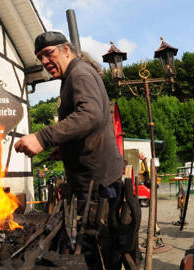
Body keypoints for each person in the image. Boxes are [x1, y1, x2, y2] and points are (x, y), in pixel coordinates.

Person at [14, 31, 123, 200]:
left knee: (99, 226)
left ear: (66, 49)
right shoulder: (71, 77)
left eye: (48, 53)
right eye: (40, 58)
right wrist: (65, 147)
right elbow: (85, 122)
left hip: (97, 182)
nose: (44, 62)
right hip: (92, 179)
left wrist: (43, 137)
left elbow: (89, 115)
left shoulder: (79, 73)